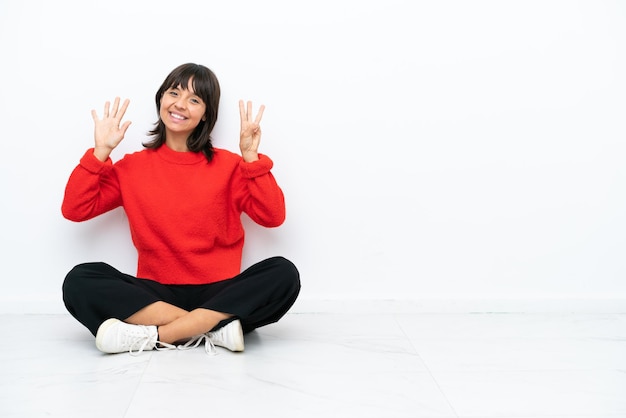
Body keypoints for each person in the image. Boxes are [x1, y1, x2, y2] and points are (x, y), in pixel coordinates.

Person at [61, 63, 300, 355]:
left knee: (284, 274)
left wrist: (251, 159)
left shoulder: (231, 167)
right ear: (161, 99)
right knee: (79, 280)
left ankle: (156, 336)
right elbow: (75, 209)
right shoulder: (131, 168)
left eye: (194, 100)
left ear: (206, 115)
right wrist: (100, 152)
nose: (180, 104)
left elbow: (273, 217)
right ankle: (212, 328)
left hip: (220, 291)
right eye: (174, 93)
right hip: (156, 296)